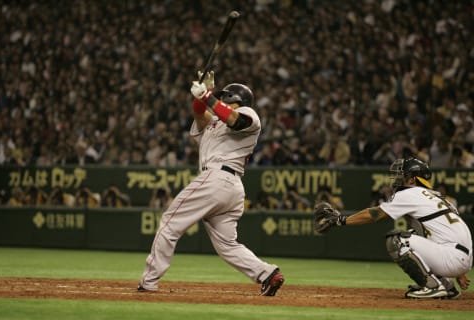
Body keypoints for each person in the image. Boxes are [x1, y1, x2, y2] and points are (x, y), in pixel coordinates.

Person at [138, 71, 284, 296]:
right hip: (229, 188)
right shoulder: (214, 120)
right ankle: (267, 273)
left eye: (226, 96)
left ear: (237, 99)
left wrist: (207, 95)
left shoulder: (248, 113)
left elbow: (235, 121)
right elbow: (199, 115)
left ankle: (149, 281)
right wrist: (201, 96)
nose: (222, 98)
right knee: (227, 245)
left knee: (169, 222)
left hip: (218, 179)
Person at [317, 157, 472, 299]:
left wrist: (340, 220)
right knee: (414, 234)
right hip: (460, 254)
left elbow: (375, 214)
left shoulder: (409, 193)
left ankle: (433, 286)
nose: (398, 178)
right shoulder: (437, 196)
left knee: (397, 240)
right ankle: (447, 287)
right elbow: (452, 231)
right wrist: (460, 271)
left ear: (412, 179)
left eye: (402, 175)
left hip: (452, 256)